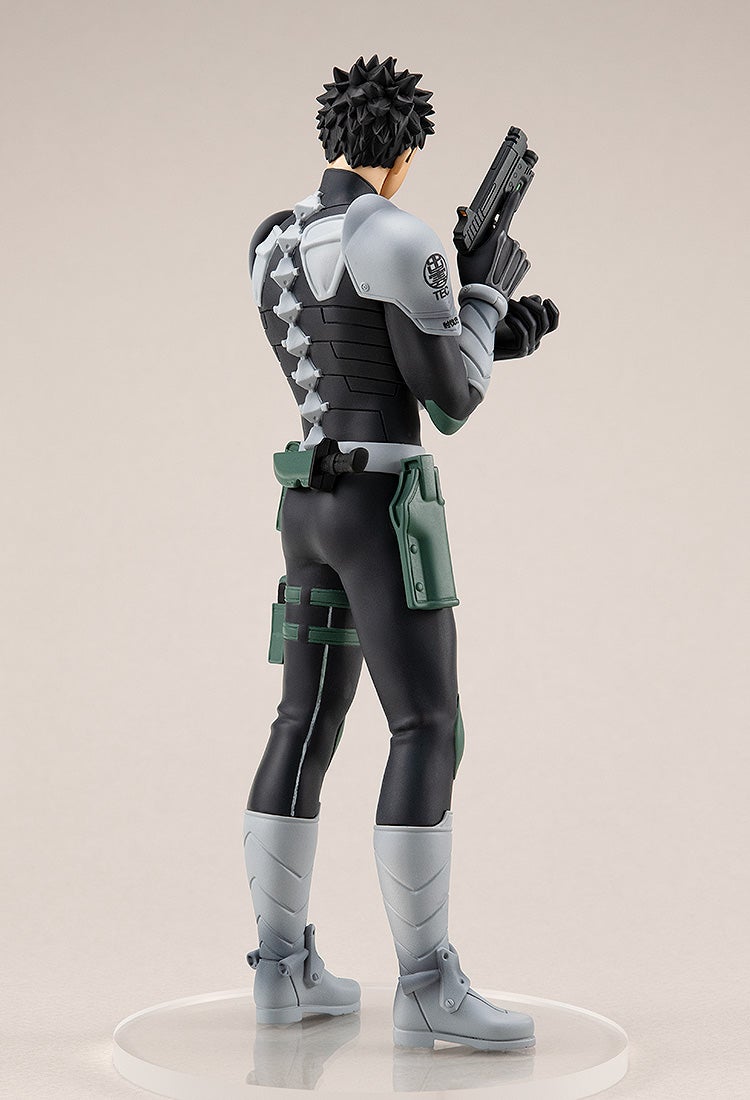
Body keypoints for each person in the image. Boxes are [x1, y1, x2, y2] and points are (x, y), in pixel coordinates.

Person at [243, 55, 558, 1050]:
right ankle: (426, 985)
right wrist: (484, 298)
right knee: (427, 725)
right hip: (383, 505)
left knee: (302, 719)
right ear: (406, 151)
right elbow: (450, 401)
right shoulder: (402, 237)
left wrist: (483, 331)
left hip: (306, 502)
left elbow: (359, 353)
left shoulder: (271, 238)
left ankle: (280, 972)